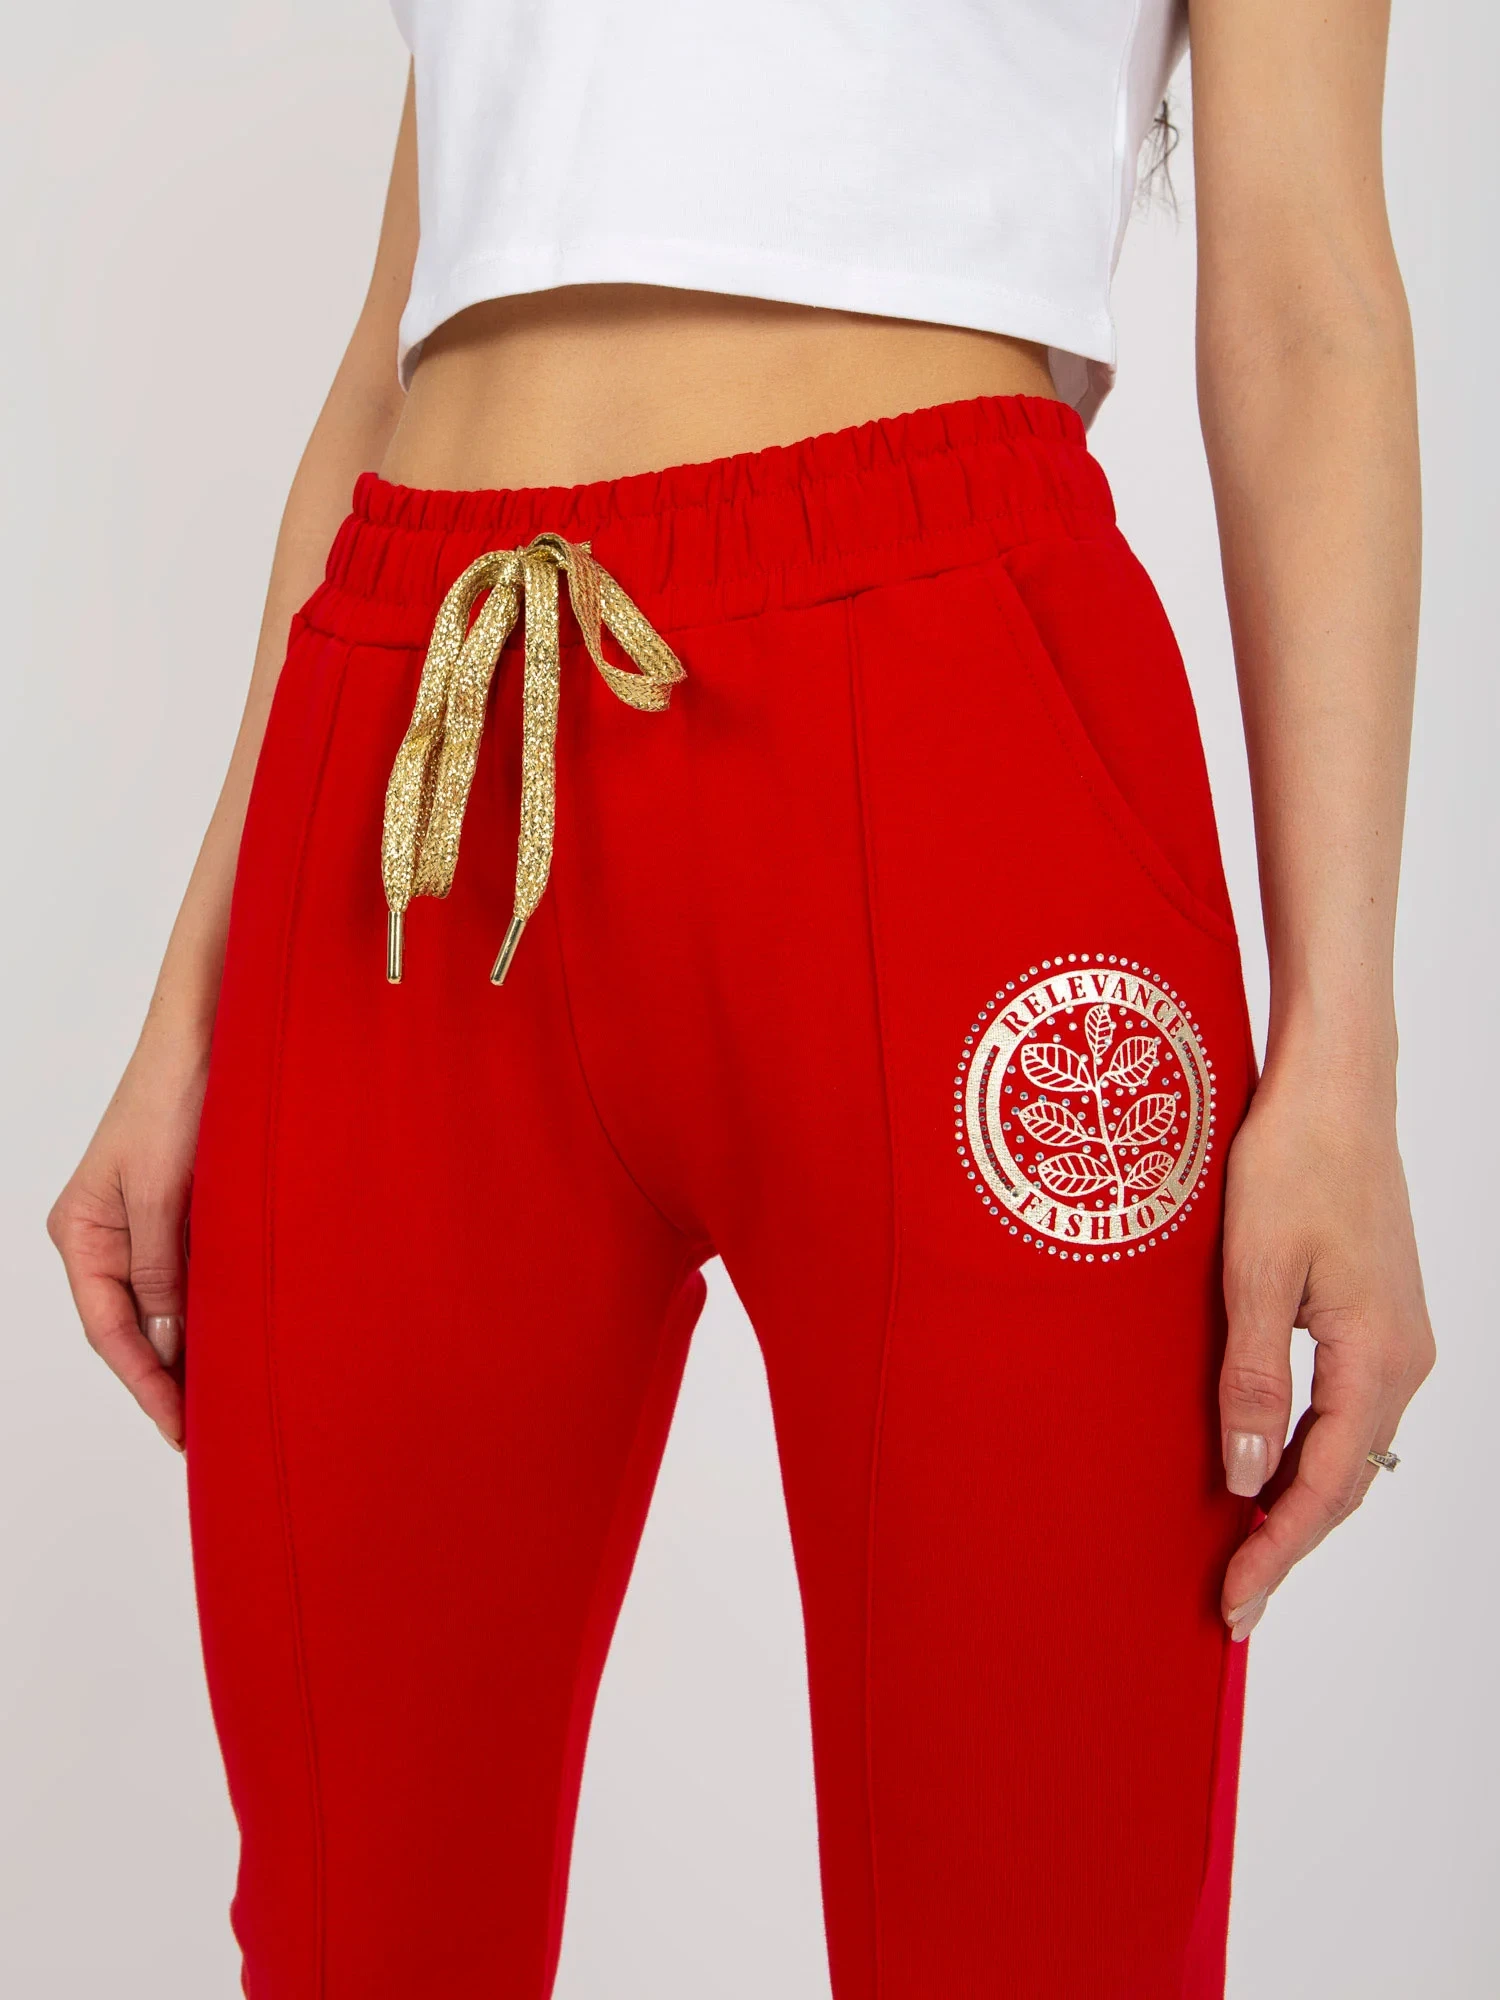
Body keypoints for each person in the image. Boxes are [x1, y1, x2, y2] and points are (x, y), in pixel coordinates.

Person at [47, 2, 1434, 1994]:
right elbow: (411, 324)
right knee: (357, 1935)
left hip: (950, 725)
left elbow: (1309, 304)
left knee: (1042, 1927)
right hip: (420, 751)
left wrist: (1343, 1060)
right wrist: (188, 1002)